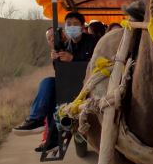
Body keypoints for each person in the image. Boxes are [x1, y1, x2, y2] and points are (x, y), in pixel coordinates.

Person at [13, 11, 98, 152]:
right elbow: (60, 71)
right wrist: (56, 60)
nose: (72, 27)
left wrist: (74, 60)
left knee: (57, 94)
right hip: (70, 84)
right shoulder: (65, 45)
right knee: (48, 84)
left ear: (83, 27)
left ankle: (53, 138)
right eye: (68, 24)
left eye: (75, 24)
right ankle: (37, 120)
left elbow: (98, 64)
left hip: (90, 85)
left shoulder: (94, 42)